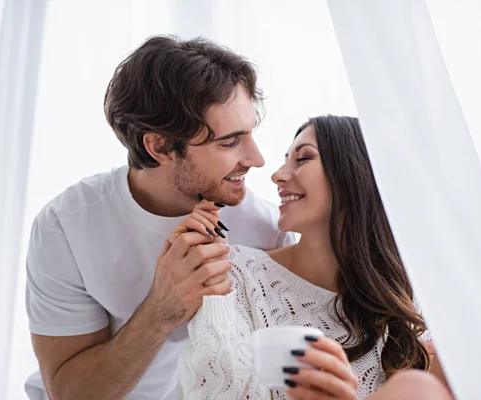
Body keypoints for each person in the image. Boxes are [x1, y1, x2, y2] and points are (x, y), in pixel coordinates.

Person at [24, 35, 295, 400]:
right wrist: (162, 308)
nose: (257, 159)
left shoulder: (268, 231)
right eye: (229, 142)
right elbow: (71, 393)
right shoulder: (67, 227)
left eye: (250, 134)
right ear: (160, 146)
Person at [176, 115, 453, 399]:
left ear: (352, 174)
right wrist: (215, 291)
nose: (278, 175)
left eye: (304, 158)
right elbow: (212, 391)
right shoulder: (237, 272)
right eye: (287, 160)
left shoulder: (403, 301)